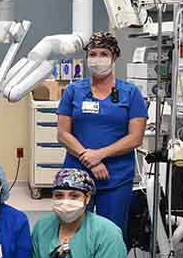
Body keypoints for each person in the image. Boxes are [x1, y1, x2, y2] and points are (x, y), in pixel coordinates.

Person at [56, 32, 147, 241]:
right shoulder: (74, 91)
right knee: (72, 231)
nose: (97, 59)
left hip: (116, 176)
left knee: (111, 234)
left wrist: (100, 155)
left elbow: (135, 138)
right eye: (93, 54)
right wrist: (88, 158)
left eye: (103, 53)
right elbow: (62, 133)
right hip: (77, 174)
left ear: (114, 57)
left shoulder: (130, 93)